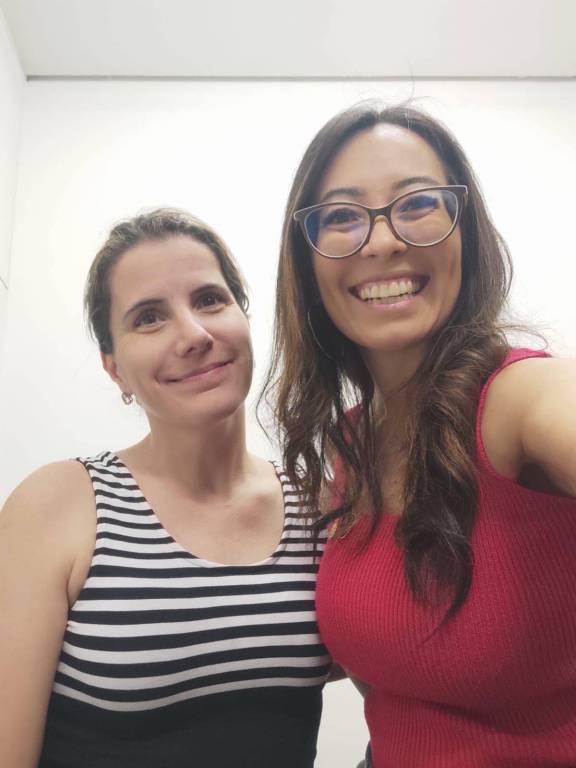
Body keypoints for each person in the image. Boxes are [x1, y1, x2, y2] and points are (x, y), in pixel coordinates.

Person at [264, 102, 576, 766]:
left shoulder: (520, 397)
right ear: (308, 267)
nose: (381, 242)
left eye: (417, 204)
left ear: (467, 231)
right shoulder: (348, 445)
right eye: (342, 216)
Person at [0, 209, 330, 768]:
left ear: (243, 317)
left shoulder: (317, 507)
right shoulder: (58, 504)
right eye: (149, 318)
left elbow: (401, 680)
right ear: (114, 368)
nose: (194, 335)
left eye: (210, 300)